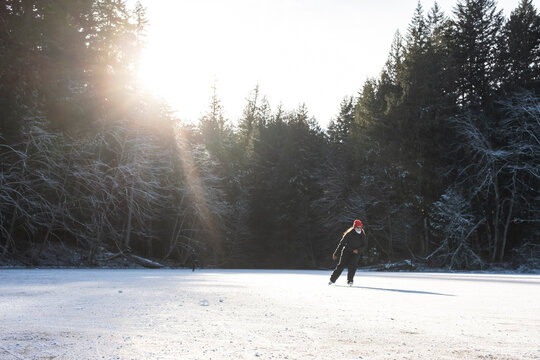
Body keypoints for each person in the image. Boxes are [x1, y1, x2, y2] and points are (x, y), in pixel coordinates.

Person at [329, 219, 367, 286]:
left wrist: (358, 250)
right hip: (346, 252)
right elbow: (341, 244)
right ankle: (332, 280)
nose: (359, 229)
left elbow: (364, 245)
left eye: (360, 227)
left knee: (352, 266)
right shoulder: (349, 234)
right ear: (354, 227)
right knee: (341, 266)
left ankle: (350, 281)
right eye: (357, 227)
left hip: (355, 254)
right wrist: (336, 253)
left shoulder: (362, 235)